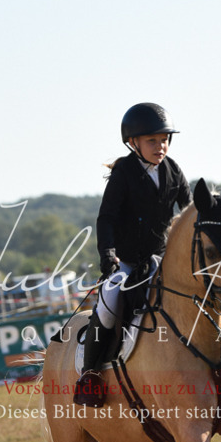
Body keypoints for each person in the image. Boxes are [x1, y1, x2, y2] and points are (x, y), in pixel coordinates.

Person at [74, 102, 192, 403]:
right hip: (127, 262)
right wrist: (108, 254)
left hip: (162, 260)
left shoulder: (173, 170)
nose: (160, 146)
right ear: (133, 142)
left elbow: (190, 212)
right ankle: (90, 375)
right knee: (108, 303)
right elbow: (107, 218)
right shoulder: (124, 173)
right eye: (152, 140)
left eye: (164, 139)